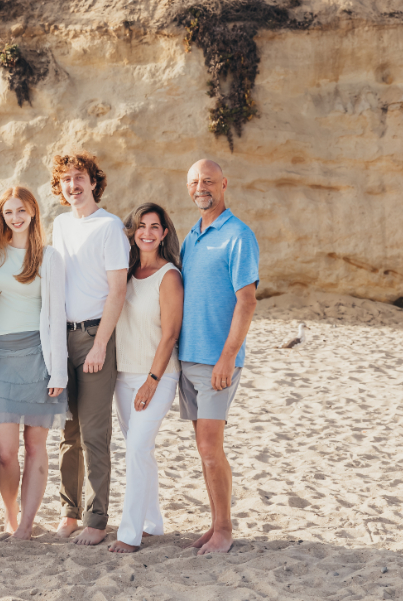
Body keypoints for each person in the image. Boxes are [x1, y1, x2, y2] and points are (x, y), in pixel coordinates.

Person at [178, 159, 259, 555]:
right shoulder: (191, 237)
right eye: (194, 182)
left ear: (224, 183)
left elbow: (247, 302)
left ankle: (224, 529)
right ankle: (215, 526)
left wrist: (228, 357)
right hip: (187, 360)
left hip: (217, 361)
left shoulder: (239, 235)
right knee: (204, 449)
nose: (201, 187)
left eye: (208, 181)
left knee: (211, 448)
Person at [50, 152, 130, 546]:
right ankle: (70, 511)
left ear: (94, 182)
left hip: (95, 337)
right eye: (66, 179)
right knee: (68, 432)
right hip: (60, 339)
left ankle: (96, 520)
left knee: (94, 432)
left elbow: (118, 291)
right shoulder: (60, 224)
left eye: (79, 177)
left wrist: (100, 345)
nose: (73, 185)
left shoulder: (110, 227)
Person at [0, 187, 68, 541]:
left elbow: (57, 315)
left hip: (39, 356)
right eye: (8, 213)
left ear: (33, 212)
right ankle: (10, 514)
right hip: (1, 359)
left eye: (21, 211)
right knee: (5, 451)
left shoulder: (49, 257)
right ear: (1, 217)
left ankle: (26, 525)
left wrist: (59, 370)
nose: (15, 218)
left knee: (36, 446)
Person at [107, 203, 184, 554]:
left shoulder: (169, 276)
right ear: (133, 231)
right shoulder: (125, 272)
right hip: (124, 376)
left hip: (158, 375)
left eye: (155, 226)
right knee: (140, 451)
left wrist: (152, 380)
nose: (148, 233)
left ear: (164, 233)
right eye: (141, 226)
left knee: (137, 449)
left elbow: (170, 334)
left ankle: (130, 533)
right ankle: (152, 523)